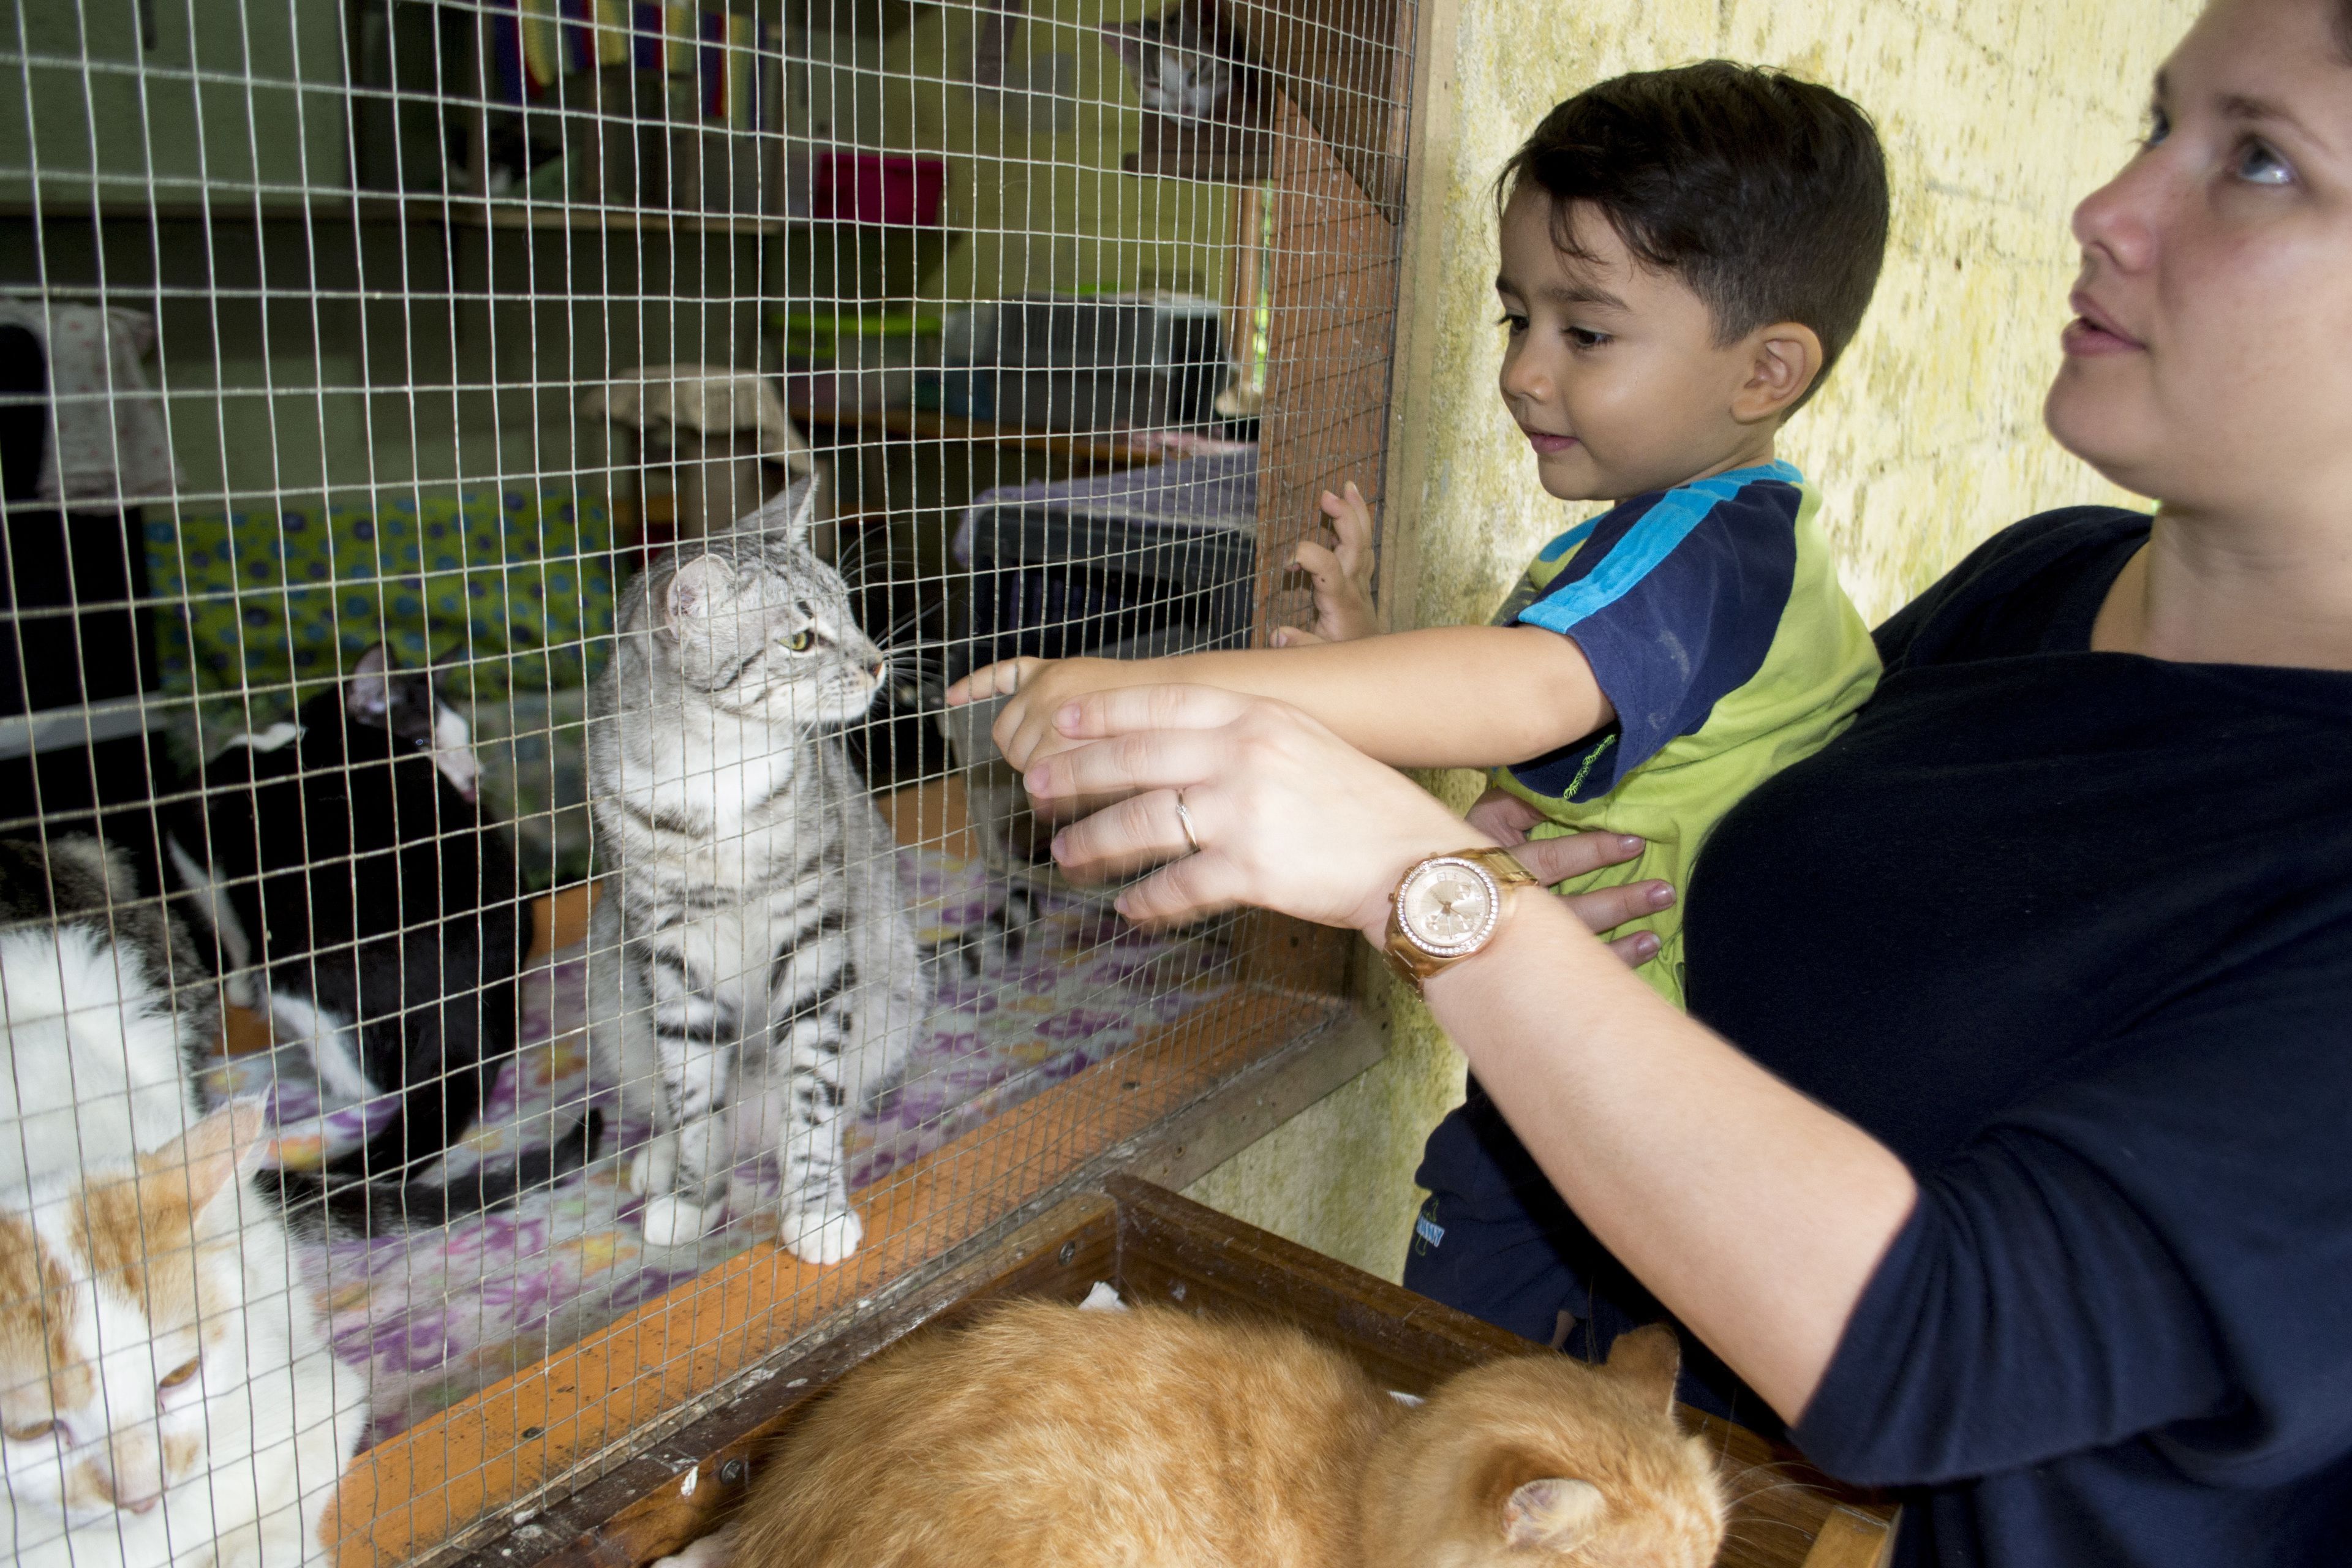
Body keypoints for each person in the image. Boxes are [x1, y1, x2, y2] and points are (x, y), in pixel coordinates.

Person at [1011, 0, 2352, 1561]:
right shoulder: (2040, 583)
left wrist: (1429, 884)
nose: (2105, 211)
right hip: (1612, 1357)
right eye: (2154, 122)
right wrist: (1507, 875)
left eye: (2260, 160)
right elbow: (1700, 816)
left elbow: (1934, 1341)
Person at [949, 62, 1889, 1012]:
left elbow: (1519, 694)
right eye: (1518, 319)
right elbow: (1521, 715)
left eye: (1587, 335)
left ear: (1767, 372)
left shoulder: (1704, 547)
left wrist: (1142, 688)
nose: (1522, 372)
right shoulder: (1726, 540)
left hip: (1643, 1061)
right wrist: (1367, 654)